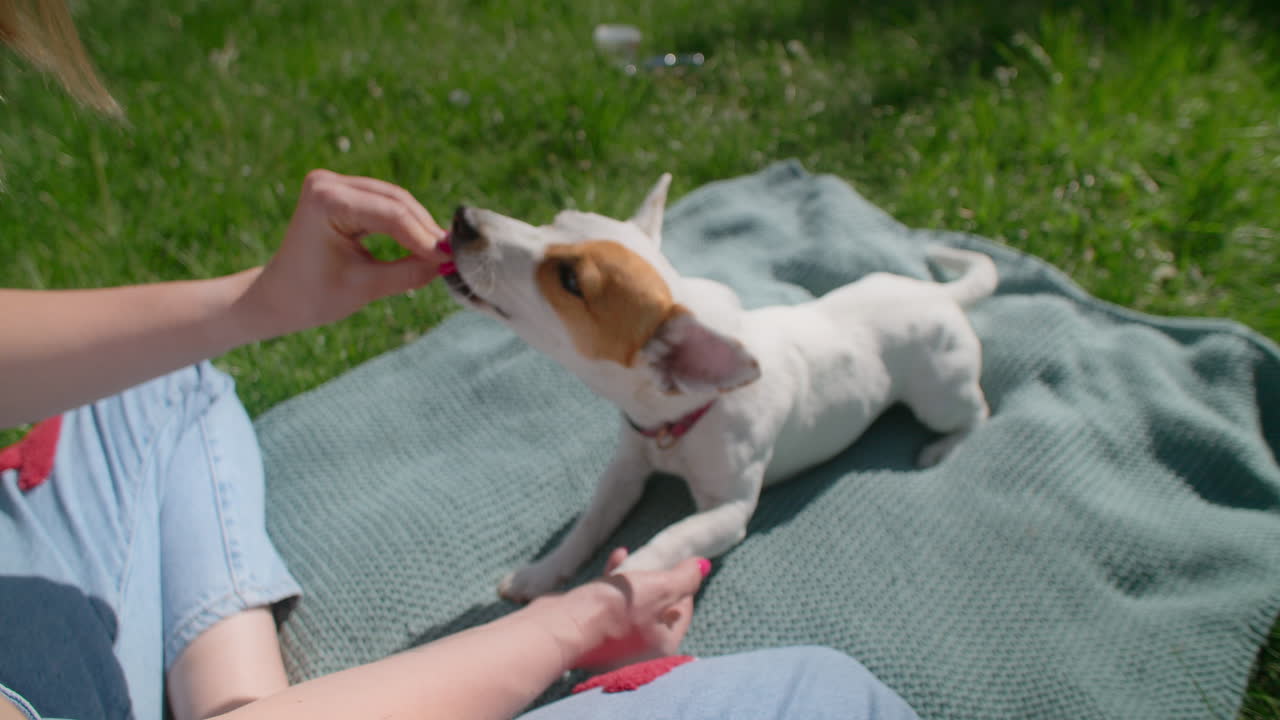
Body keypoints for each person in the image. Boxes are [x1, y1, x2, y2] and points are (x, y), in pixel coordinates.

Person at [0, 1, 922, 718]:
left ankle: (237, 699)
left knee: (166, 381)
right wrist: (581, 616)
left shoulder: (711, 371)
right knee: (834, 700)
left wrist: (259, 305)